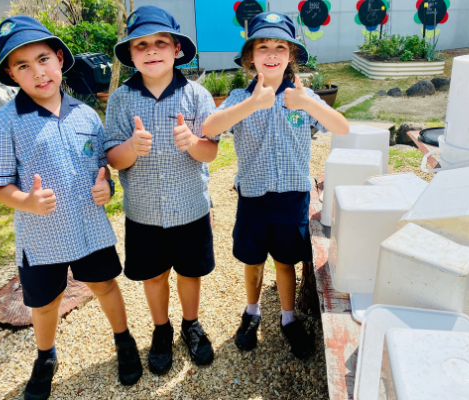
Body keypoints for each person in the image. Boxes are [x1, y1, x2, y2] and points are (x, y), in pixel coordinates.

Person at [0, 16, 142, 400]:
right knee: (45, 301)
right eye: (23, 66)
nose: (37, 73)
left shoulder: (86, 115)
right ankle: (45, 356)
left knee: (104, 285)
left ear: (58, 58)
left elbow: (102, 168)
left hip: (90, 228)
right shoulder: (3, 124)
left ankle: (124, 340)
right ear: (10, 73)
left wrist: (107, 188)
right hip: (41, 237)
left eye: (42, 59)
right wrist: (26, 202)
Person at [202, 12, 350, 359]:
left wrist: (308, 103)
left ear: (291, 55)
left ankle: (287, 317)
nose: (271, 54)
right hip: (253, 197)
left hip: (292, 198)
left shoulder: (302, 95)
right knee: (252, 261)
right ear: (251, 57)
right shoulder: (240, 96)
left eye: (279, 47)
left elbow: (341, 128)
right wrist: (253, 104)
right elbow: (210, 128)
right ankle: (251, 311)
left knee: (285, 262)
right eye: (263, 47)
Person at [103, 6, 219, 375]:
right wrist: (130, 148)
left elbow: (211, 151)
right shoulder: (121, 100)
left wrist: (192, 143)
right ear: (131, 53)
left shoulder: (197, 96)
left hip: (190, 208)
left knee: (189, 272)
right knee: (154, 276)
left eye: (160, 43)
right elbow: (113, 158)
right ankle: (161, 329)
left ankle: (190, 324)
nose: (151, 50)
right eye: (141, 45)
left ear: (177, 50)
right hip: (143, 211)